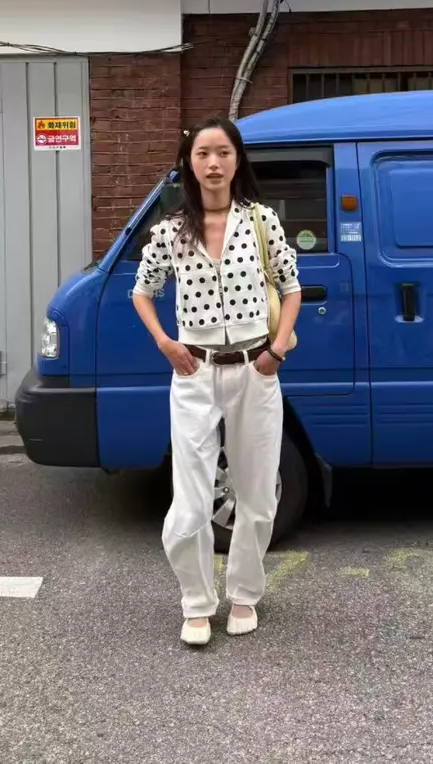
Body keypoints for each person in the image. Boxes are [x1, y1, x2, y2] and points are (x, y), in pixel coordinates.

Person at [132, 115, 302, 646]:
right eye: (203, 153)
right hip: (195, 373)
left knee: (258, 492)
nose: (213, 163)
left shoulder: (261, 221)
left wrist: (276, 350)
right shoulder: (170, 231)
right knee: (190, 500)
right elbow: (142, 291)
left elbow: (292, 287)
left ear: (237, 160)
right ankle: (197, 602)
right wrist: (166, 342)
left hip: (255, 370)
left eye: (223, 153)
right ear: (189, 163)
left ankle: (245, 594)